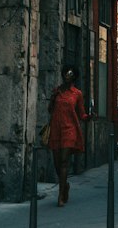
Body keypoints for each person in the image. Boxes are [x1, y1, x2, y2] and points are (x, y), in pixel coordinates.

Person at [48, 67, 87, 206]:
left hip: (69, 129)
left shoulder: (77, 94)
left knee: (64, 161)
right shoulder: (57, 91)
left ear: (74, 77)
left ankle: (60, 196)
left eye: (70, 74)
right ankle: (65, 186)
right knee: (57, 163)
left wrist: (88, 117)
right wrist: (53, 98)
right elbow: (50, 110)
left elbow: (81, 114)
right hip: (56, 128)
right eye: (66, 73)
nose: (67, 76)